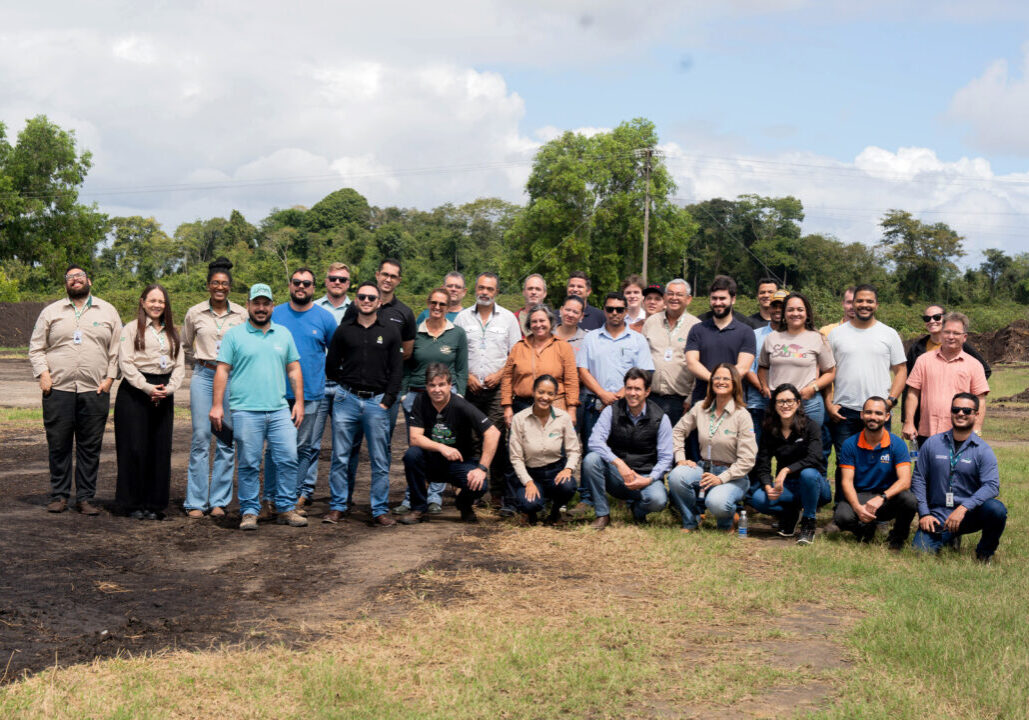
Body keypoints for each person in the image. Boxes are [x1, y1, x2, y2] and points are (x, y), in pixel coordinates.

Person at [210, 284, 306, 531]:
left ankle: (285, 507)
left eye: (266, 303)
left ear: (272, 306)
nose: (261, 308)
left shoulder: (283, 334)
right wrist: (217, 406)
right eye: (257, 303)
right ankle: (250, 511)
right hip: (245, 410)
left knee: (288, 458)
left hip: (278, 409)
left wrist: (299, 402)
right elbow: (222, 370)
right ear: (249, 305)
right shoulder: (234, 335)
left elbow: (294, 368)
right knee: (249, 463)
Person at [29, 264, 122, 515]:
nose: (75, 280)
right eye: (70, 277)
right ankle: (59, 495)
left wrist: (110, 379)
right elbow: (36, 347)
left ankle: (85, 498)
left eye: (80, 276)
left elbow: (117, 350)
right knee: (58, 444)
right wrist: (43, 375)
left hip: (95, 390)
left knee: (89, 446)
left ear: (88, 280)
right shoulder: (51, 312)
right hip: (57, 389)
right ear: (66, 283)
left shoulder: (108, 311)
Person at [323, 281, 404, 526]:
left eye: (371, 297)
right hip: (347, 400)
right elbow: (331, 366)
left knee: (380, 459)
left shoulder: (390, 332)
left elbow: (397, 371)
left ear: (379, 302)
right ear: (356, 300)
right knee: (340, 456)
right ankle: (338, 506)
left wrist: (387, 401)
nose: (366, 301)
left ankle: (379, 509)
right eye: (362, 297)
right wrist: (344, 387)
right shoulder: (344, 331)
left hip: (376, 402)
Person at [263, 268, 337, 519]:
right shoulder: (276, 314)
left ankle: (291, 498)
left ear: (314, 288)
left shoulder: (325, 318)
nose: (301, 286)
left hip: (312, 394)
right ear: (290, 285)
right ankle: (270, 498)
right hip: (277, 393)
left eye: (306, 283)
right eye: (297, 282)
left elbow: (336, 355)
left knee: (304, 448)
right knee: (275, 448)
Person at [572, 291, 654, 516]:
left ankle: (626, 495)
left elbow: (644, 371)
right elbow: (582, 369)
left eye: (619, 309)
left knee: (626, 450)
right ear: (604, 311)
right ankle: (588, 498)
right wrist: (602, 394)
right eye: (610, 309)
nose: (615, 313)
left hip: (628, 405)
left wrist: (618, 395)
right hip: (595, 403)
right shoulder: (591, 337)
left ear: (626, 312)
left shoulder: (637, 339)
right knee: (592, 450)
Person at [180, 258, 247, 518]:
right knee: (200, 437)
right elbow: (185, 344)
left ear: (230, 287)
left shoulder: (241, 314)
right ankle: (196, 501)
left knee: (226, 439)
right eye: (215, 283)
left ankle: (219, 500)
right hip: (204, 376)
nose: (220, 287)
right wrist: (200, 362)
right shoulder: (195, 313)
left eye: (225, 284)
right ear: (208, 286)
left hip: (231, 378)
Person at [393, 287, 469, 515]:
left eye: (442, 304)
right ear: (427, 304)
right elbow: (405, 363)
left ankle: (434, 497)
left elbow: (462, 368)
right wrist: (404, 393)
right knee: (415, 449)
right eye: (433, 303)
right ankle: (412, 497)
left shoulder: (457, 333)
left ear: (448, 307)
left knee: (442, 446)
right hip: (416, 395)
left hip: (446, 397)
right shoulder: (415, 332)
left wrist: (460, 395)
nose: (437, 307)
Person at [825, 284, 907, 493]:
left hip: (878, 412)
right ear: (852, 303)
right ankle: (843, 510)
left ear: (876, 305)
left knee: (881, 462)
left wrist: (890, 401)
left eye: (869, 301)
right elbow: (826, 372)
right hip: (844, 411)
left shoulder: (888, 334)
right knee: (845, 462)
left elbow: (901, 370)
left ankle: (880, 511)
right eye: (859, 301)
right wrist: (829, 403)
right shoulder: (836, 335)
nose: (864, 305)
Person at [115, 284, 185, 520]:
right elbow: (125, 363)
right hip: (136, 391)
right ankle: (132, 503)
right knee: (134, 448)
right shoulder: (131, 329)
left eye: (161, 301)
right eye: (152, 300)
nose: (157, 305)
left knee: (159, 449)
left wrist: (170, 388)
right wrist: (146, 387)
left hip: (164, 391)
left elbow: (180, 365)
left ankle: (154, 504)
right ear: (142, 302)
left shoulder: (173, 331)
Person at [454, 272, 523, 509]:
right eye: (481, 287)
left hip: (497, 391)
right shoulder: (462, 318)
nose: (485, 292)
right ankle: (475, 490)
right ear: (475, 289)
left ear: (496, 292)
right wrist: (468, 376)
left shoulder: (508, 319)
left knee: (495, 439)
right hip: (470, 389)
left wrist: (501, 374)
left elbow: (516, 355)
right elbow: (456, 353)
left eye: (490, 289)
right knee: (472, 439)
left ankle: (497, 492)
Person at [911, 393, 1006, 563]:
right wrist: (924, 514)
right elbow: (918, 478)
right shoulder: (932, 444)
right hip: (938, 514)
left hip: (969, 514)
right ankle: (950, 536)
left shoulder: (983, 450)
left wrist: (963, 508)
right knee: (921, 553)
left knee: (996, 510)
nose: (960, 413)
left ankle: (984, 554)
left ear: (976, 414)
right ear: (951, 412)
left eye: (966, 410)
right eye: (956, 409)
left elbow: (992, 485)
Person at [398, 364, 498, 525]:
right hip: (432, 461)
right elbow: (415, 438)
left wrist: (482, 469)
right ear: (426, 386)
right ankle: (418, 509)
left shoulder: (461, 405)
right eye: (432, 385)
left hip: (459, 462)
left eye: (441, 385)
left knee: (480, 485)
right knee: (411, 455)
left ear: (450, 385)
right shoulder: (420, 400)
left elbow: (493, 433)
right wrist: (442, 447)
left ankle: (464, 505)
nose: (437, 390)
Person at [667, 364, 756, 532]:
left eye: (725, 378)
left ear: (735, 383)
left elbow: (748, 460)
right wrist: (680, 459)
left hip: (732, 475)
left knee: (716, 502)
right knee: (676, 477)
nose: (720, 382)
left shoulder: (742, 415)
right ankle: (691, 521)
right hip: (703, 469)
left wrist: (722, 478)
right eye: (717, 378)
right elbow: (677, 431)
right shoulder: (700, 407)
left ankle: (728, 520)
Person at [582, 368, 671, 529]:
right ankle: (602, 514)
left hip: (644, 476)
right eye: (629, 388)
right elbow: (595, 441)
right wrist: (619, 463)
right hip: (617, 476)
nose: (632, 393)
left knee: (658, 500)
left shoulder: (661, 418)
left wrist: (649, 479)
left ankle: (637, 511)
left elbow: (666, 458)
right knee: (591, 460)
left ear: (647, 392)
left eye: (637, 389)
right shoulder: (611, 410)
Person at [303, 262, 356, 510]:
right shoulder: (312, 307)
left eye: (342, 279)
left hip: (345, 385)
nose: (337, 282)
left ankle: (341, 495)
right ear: (325, 281)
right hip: (317, 383)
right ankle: (305, 490)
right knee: (310, 442)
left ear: (349, 284)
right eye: (333, 278)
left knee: (343, 445)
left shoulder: (357, 309)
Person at [748, 384, 831, 544]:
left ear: (798, 403)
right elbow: (763, 463)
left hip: (815, 485)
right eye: (780, 401)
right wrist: (767, 486)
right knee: (758, 498)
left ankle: (808, 523)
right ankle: (791, 514)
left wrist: (785, 470)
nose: (785, 405)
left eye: (790, 401)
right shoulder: (770, 429)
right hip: (788, 487)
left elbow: (814, 458)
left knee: (808, 474)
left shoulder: (811, 426)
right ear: (774, 405)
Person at [831, 396, 918, 548]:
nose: (873, 417)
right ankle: (865, 529)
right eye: (868, 412)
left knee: (909, 500)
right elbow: (846, 481)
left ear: (887, 416)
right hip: (861, 496)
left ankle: (897, 538)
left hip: (887, 498)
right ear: (861, 415)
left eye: (878, 413)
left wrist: (882, 497)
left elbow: (905, 481)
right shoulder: (850, 444)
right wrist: (858, 508)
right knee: (841, 516)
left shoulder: (897, 444)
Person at [903, 304, 991, 436]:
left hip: (961, 431)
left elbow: (980, 399)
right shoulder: (923, 360)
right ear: (941, 333)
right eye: (947, 332)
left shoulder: (974, 365)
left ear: (964, 337)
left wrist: (977, 427)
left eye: (956, 333)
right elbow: (912, 393)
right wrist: (908, 422)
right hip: (927, 431)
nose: (951, 336)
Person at [508, 375, 581, 526]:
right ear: (533, 392)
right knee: (529, 503)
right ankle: (531, 511)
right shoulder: (519, 419)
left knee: (568, 485)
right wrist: (528, 482)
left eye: (550, 393)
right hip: (531, 473)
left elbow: (574, 450)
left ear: (555, 396)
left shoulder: (563, 417)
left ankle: (555, 512)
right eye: (541, 392)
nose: (545, 397)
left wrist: (568, 469)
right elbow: (516, 457)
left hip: (555, 471)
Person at [757, 292, 836, 430]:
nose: (795, 313)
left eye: (800, 309)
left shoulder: (818, 338)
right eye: (790, 310)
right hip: (778, 404)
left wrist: (813, 388)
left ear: (807, 313)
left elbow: (830, 372)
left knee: (809, 448)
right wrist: (764, 386)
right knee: (780, 448)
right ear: (784, 313)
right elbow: (763, 367)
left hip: (808, 403)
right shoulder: (772, 338)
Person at [502, 304, 579, 425]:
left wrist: (572, 409)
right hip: (522, 407)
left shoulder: (563, 347)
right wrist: (507, 406)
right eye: (534, 322)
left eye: (542, 320)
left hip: (555, 406)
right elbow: (507, 378)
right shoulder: (518, 347)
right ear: (529, 325)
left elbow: (572, 380)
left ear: (550, 322)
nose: (538, 325)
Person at [685, 275, 757, 404]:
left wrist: (720, 383)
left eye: (722, 298)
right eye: (714, 298)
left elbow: (743, 367)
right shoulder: (697, 329)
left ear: (733, 299)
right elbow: (692, 363)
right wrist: (716, 381)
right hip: (702, 400)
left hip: (734, 401)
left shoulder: (746, 332)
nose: (718, 303)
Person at [641, 278, 700, 427]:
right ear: (665, 297)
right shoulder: (651, 322)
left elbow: (699, 365)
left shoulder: (697, 327)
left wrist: (690, 398)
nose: (674, 298)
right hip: (651, 397)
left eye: (679, 295)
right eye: (670, 294)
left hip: (680, 400)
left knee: (676, 445)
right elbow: (640, 358)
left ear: (688, 299)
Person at [744, 289, 786, 445]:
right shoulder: (754, 334)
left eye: (782, 306)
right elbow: (747, 367)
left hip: (787, 405)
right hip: (758, 403)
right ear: (769, 308)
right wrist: (762, 387)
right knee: (754, 450)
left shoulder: (795, 336)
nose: (777, 310)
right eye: (774, 306)